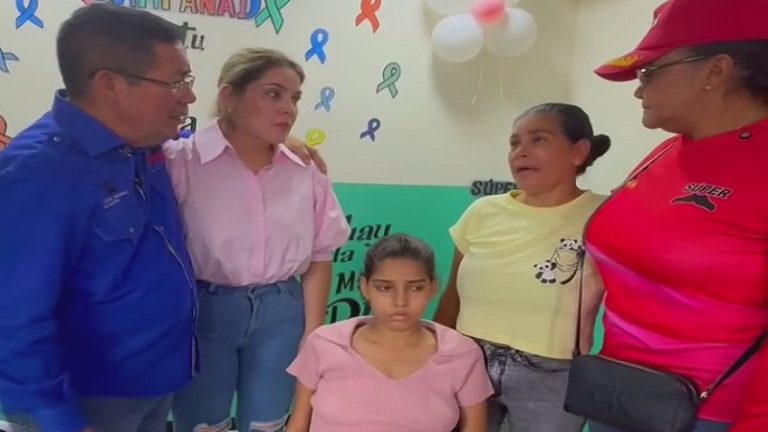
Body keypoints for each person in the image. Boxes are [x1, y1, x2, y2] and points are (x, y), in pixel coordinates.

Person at [0, 4, 198, 432]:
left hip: (153, 384)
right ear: (110, 84)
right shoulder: (40, 174)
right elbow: (12, 316)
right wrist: (60, 422)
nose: (189, 97)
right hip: (86, 405)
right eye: (176, 83)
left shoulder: (141, 142)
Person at [583, 0, 768, 431]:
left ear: (715, 71)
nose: (638, 90)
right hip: (618, 397)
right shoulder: (666, 151)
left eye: (650, 72)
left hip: (710, 416)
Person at [167, 48, 350, 432]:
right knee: (202, 423)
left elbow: (321, 254)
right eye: (273, 94)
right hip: (205, 310)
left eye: (295, 98)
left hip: (282, 312)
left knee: (268, 423)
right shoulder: (181, 162)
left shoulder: (304, 169)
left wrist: (312, 333)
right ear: (229, 97)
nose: (289, 109)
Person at [433, 103, 610, 432]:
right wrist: (435, 358)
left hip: (552, 376)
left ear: (578, 152)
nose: (521, 152)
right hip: (469, 361)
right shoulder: (482, 211)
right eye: (514, 143)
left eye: (538, 140)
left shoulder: (605, 215)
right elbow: (451, 298)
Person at [285, 234, 493, 432]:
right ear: (365, 287)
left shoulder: (461, 354)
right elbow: (297, 427)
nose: (400, 302)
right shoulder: (324, 344)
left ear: (433, 287)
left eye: (415, 288)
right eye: (385, 288)